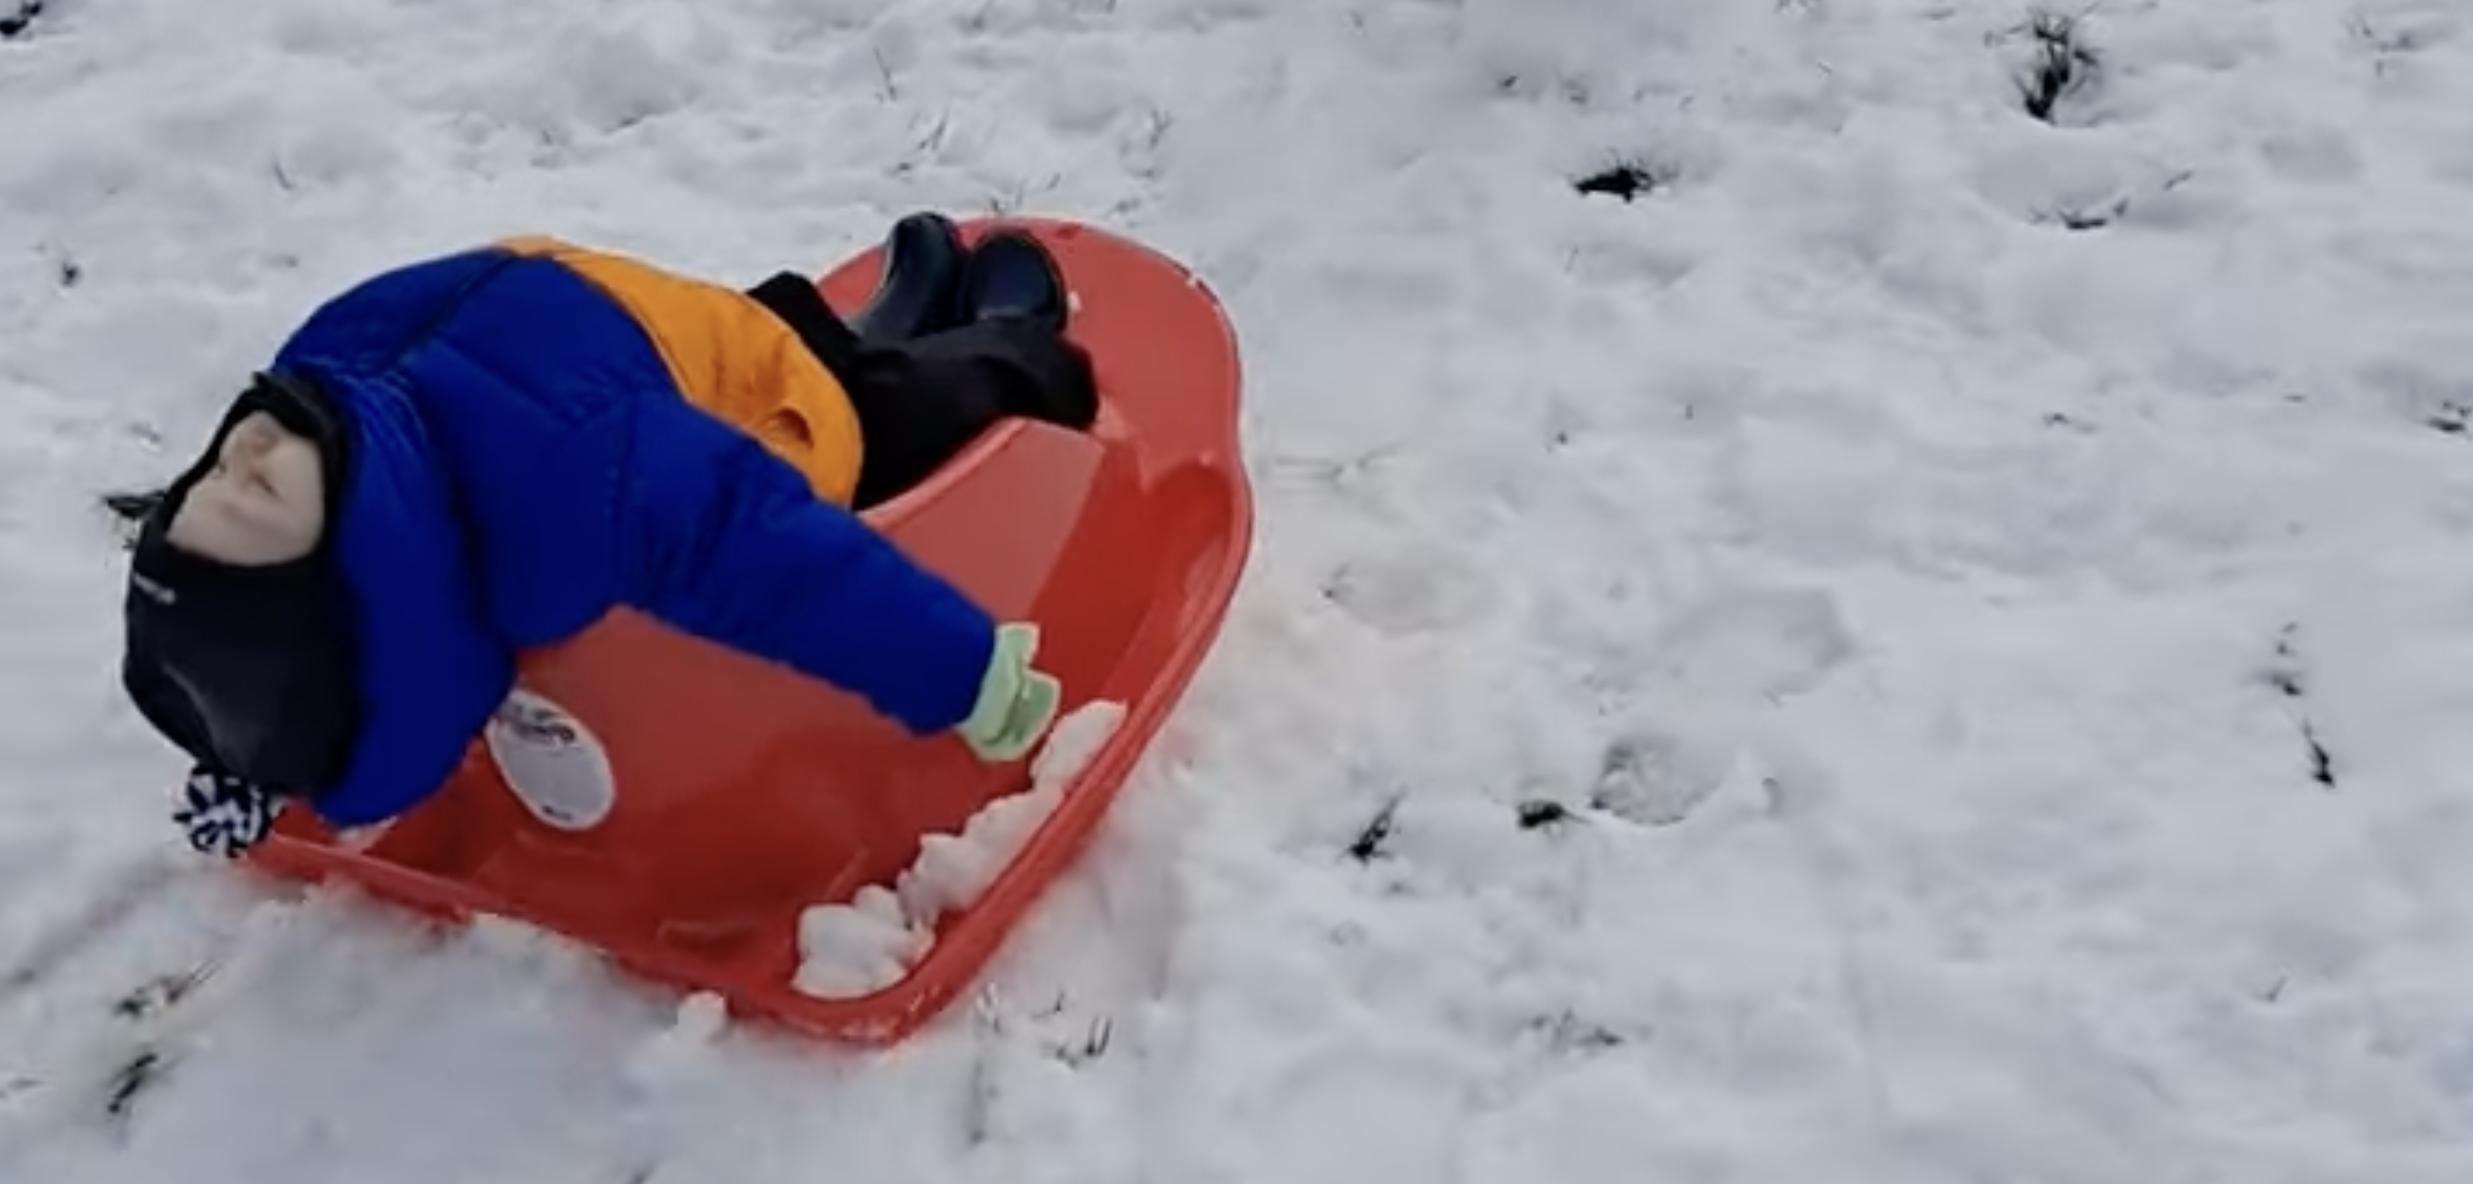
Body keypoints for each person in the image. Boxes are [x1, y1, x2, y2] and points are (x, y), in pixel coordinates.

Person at [111, 213, 1099, 858]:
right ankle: (938, 341)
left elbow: (789, 568)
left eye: (212, 484)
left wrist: (971, 673)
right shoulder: (524, 469)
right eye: (254, 500)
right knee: (799, 379)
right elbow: (778, 558)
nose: (241, 456)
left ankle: (941, 337)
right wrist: (963, 668)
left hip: (660, 360)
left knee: (803, 378)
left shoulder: (533, 470)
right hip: (650, 362)